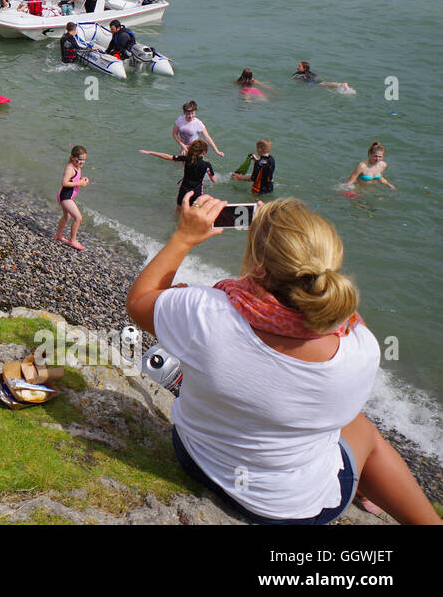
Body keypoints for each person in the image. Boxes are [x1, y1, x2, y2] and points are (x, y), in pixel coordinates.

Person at [126, 195, 439, 525]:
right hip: (301, 510)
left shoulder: (203, 311)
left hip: (199, 462)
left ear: (258, 266)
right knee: (361, 428)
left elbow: (140, 301)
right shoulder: (361, 348)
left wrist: (184, 237)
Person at [139, 139, 218, 206]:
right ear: (204, 152)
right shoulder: (207, 165)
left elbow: (168, 157)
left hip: (184, 190)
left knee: (178, 210)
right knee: (194, 209)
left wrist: (150, 152)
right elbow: (214, 180)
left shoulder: (186, 159)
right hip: (197, 193)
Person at [53, 145, 89, 250]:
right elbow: (64, 183)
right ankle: (73, 240)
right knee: (78, 218)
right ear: (73, 157)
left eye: (84, 159)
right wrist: (80, 183)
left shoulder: (77, 167)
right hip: (65, 197)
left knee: (66, 217)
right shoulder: (70, 168)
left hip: (68, 197)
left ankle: (58, 235)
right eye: (80, 159)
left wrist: (82, 179)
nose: (82, 162)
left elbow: (74, 179)